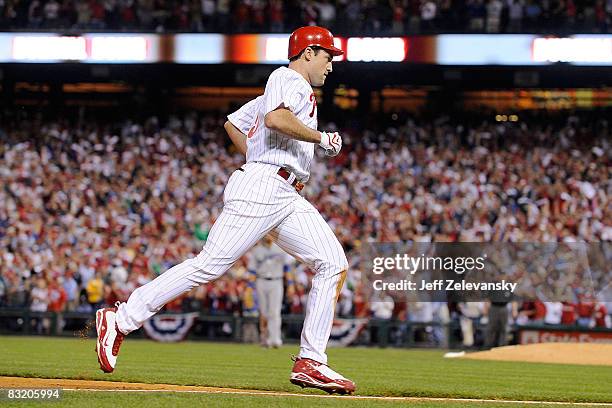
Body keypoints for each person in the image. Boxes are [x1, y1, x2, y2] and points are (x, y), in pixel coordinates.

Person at [95, 26, 355, 395]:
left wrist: (258, 157)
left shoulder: (287, 89)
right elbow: (275, 120)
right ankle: (120, 318)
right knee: (209, 265)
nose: (331, 65)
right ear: (309, 52)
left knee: (333, 261)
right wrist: (318, 140)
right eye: (328, 56)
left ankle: (311, 360)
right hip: (266, 186)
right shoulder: (287, 78)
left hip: (284, 192)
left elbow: (234, 124)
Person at [249, 234, 291, 348]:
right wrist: (249, 287)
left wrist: (291, 284)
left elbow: (287, 268)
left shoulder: (280, 249)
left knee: (275, 311)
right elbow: (252, 271)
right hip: (261, 281)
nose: (268, 236)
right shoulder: (256, 250)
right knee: (263, 312)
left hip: (277, 281)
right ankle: (265, 338)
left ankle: (275, 339)